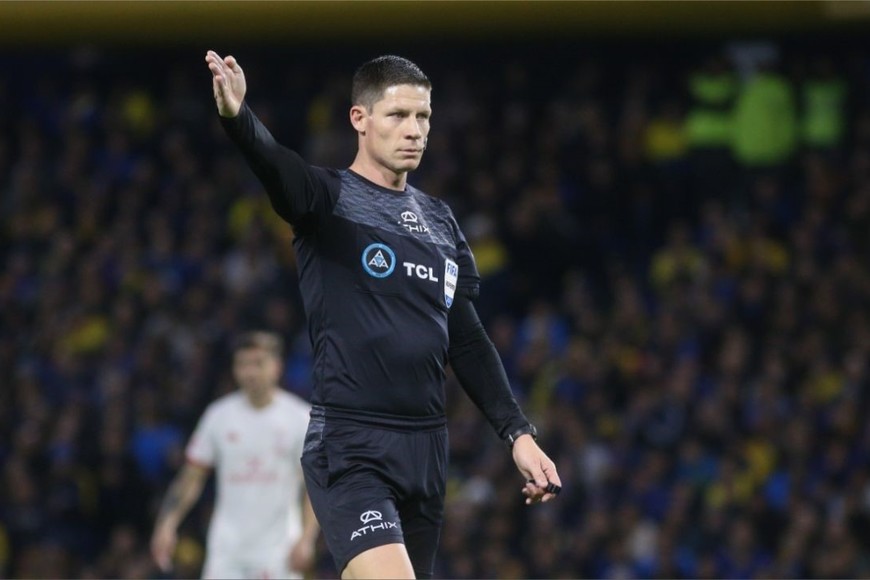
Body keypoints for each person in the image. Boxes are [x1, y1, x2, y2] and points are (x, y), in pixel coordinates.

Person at [205, 50, 562, 579]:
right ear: (360, 119)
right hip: (351, 445)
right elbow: (276, 166)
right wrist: (239, 119)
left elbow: (464, 340)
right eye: (397, 115)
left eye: (423, 117)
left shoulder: (441, 223)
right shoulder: (326, 200)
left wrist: (519, 434)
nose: (414, 130)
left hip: (426, 451)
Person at [150, 331, 319, 579]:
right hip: (226, 549)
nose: (250, 372)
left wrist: (307, 538)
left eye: (258, 363)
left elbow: (314, 487)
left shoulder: (300, 418)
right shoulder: (218, 416)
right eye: (242, 364)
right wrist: (167, 523)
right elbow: (192, 477)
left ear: (277, 367)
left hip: (278, 550)